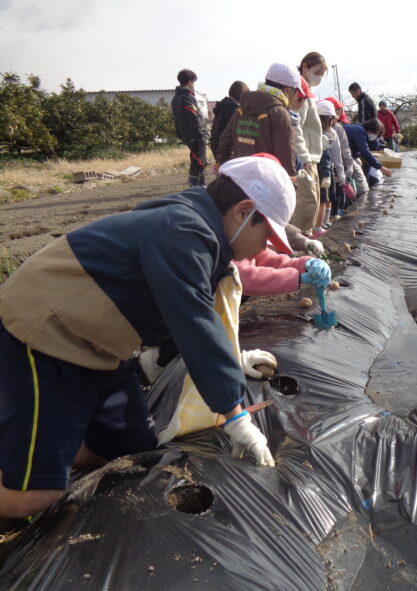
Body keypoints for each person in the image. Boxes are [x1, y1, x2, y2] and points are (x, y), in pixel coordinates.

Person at [0, 154, 304, 520]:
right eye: (266, 235)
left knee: (131, 446)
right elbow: (194, 322)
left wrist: (232, 359)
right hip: (45, 337)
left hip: (98, 347)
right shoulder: (183, 232)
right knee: (31, 500)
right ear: (242, 211)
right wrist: (235, 415)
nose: (264, 248)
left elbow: (182, 317)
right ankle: (32, 459)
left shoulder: (198, 231)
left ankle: (45, 442)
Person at [216, 63, 299, 177]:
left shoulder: (243, 106)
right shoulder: (279, 113)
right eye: (295, 93)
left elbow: (225, 141)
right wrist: (290, 184)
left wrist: (227, 170)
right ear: (288, 90)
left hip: (240, 179)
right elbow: (285, 155)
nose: (295, 97)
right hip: (267, 182)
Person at [296, 52, 329, 239]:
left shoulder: (307, 91)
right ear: (305, 67)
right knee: (307, 203)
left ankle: (304, 241)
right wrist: (304, 157)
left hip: (312, 156)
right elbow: (296, 128)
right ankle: (300, 245)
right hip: (306, 158)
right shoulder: (300, 90)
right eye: (316, 72)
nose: (319, 78)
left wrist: (322, 141)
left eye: (321, 75)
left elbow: (309, 127)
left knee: (313, 202)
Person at [171, 69, 210, 186]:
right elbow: (193, 117)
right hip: (196, 135)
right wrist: (202, 134)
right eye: (193, 82)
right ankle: (198, 188)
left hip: (186, 135)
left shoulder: (175, 98)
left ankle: (194, 186)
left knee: (195, 161)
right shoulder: (187, 96)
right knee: (199, 162)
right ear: (190, 81)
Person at [315, 100, 345, 228]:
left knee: (327, 197)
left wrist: (340, 172)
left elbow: (337, 155)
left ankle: (324, 223)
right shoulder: (315, 131)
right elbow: (337, 155)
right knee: (323, 199)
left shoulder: (333, 133)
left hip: (326, 169)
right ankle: (318, 226)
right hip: (320, 169)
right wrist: (341, 172)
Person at [344, 118, 393, 188]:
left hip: (348, 154)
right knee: (362, 183)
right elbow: (365, 152)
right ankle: (362, 194)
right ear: (371, 129)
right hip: (344, 155)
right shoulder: (360, 132)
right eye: (376, 133)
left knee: (359, 164)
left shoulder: (359, 128)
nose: (376, 135)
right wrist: (380, 167)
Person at [210, 81, 248, 161]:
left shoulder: (223, 105)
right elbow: (235, 131)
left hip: (216, 144)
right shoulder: (233, 108)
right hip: (225, 147)